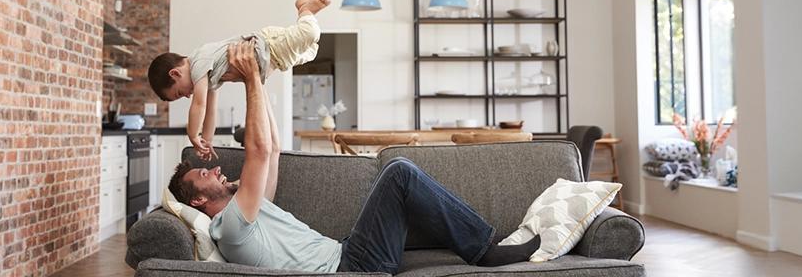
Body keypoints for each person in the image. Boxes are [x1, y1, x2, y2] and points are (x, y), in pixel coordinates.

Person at [166, 43, 539, 274]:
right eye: (204, 173)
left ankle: (479, 246)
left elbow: (273, 149)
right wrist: (247, 80)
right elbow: (259, 152)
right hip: (355, 267)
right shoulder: (232, 226)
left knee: (399, 178)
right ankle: (483, 251)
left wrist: (259, 78)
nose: (216, 168)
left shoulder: (251, 210)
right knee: (398, 173)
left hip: (349, 251)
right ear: (198, 199)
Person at [148, 0, 329, 161]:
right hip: (274, 60)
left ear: (175, 74)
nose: (188, 95)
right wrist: (207, 141)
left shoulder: (198, 62)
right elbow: (210, 111)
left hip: (269, 46)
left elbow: (199, 105)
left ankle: (303, 8)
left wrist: (193, 135)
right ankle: (306, 19)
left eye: (180, 93)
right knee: (309, 53)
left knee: (310, 33)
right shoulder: (208, 77)